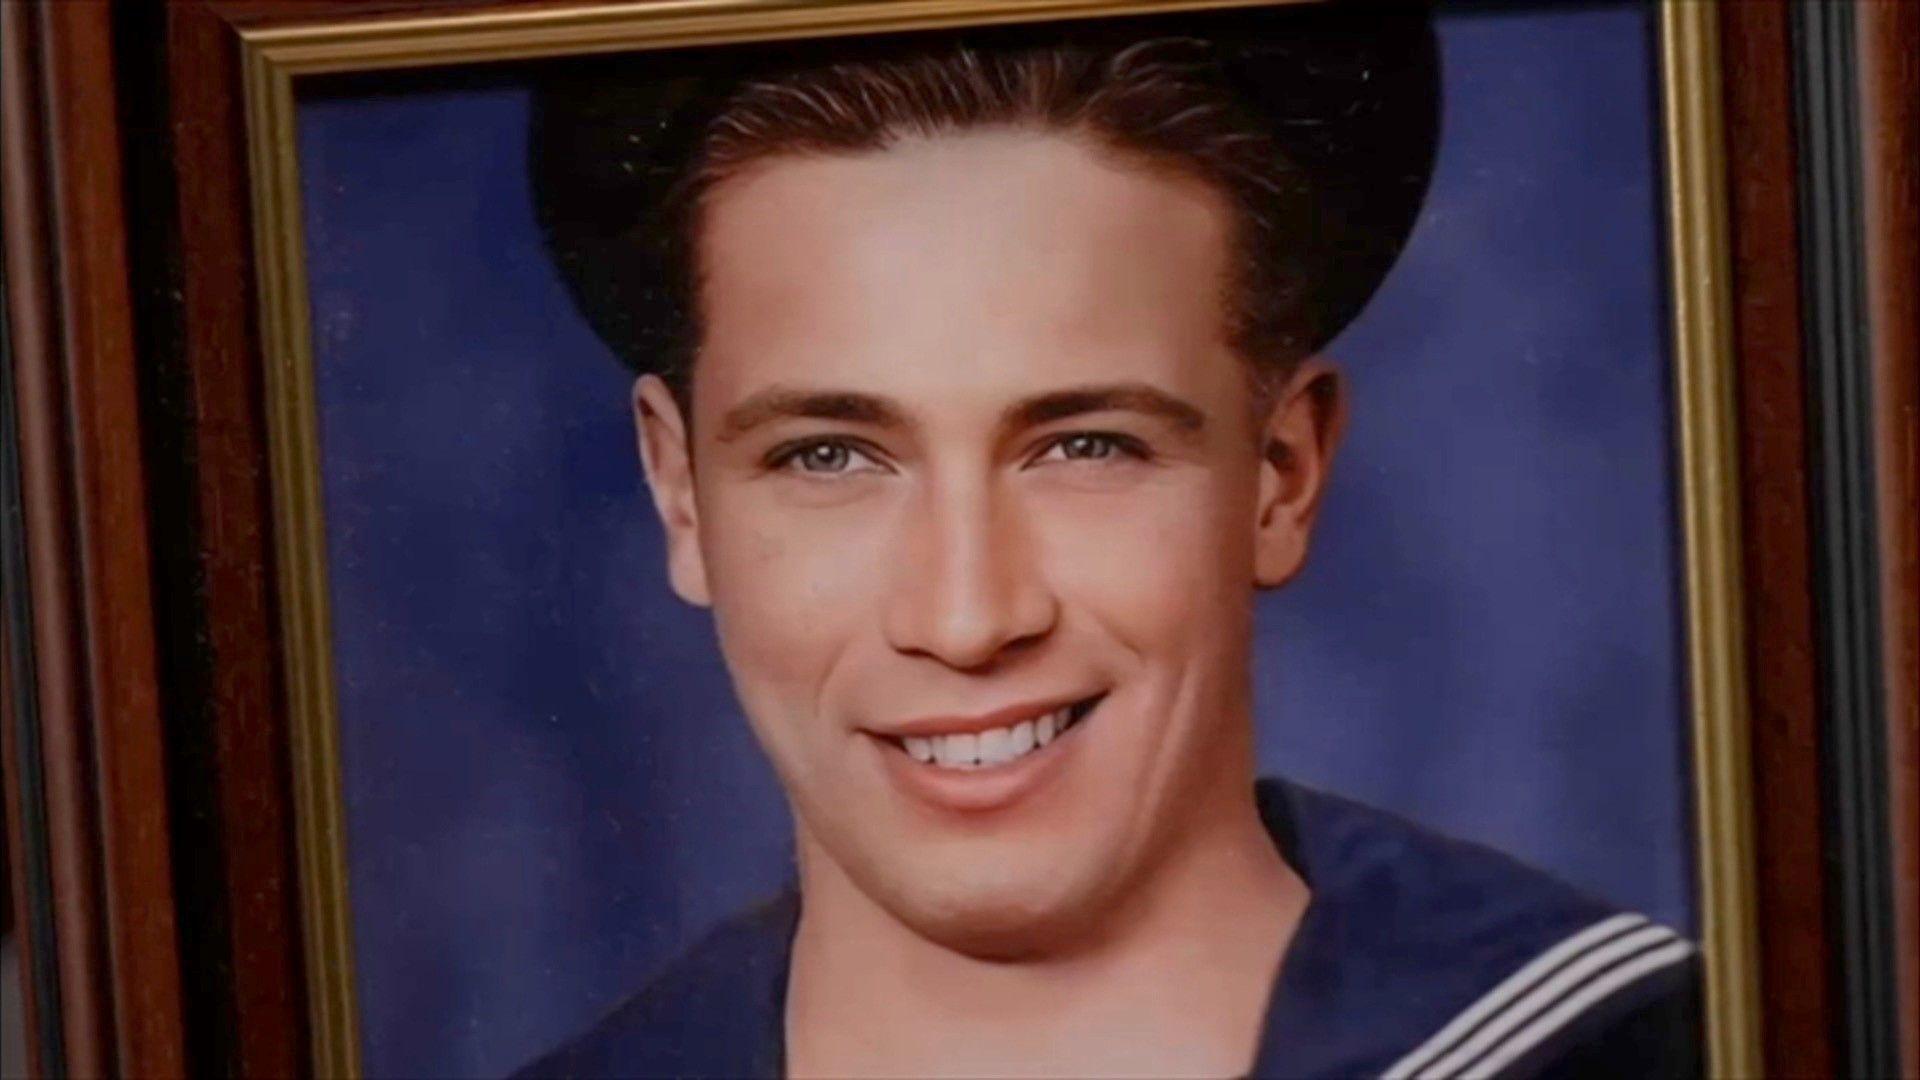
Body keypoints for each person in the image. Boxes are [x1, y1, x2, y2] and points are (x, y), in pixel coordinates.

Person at [521, 6, 1699, 1076]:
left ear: (1281, 476)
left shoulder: (1652, 1049)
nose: (966, 616)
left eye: (1086, 446)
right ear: (680, 495)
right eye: (827, 455)